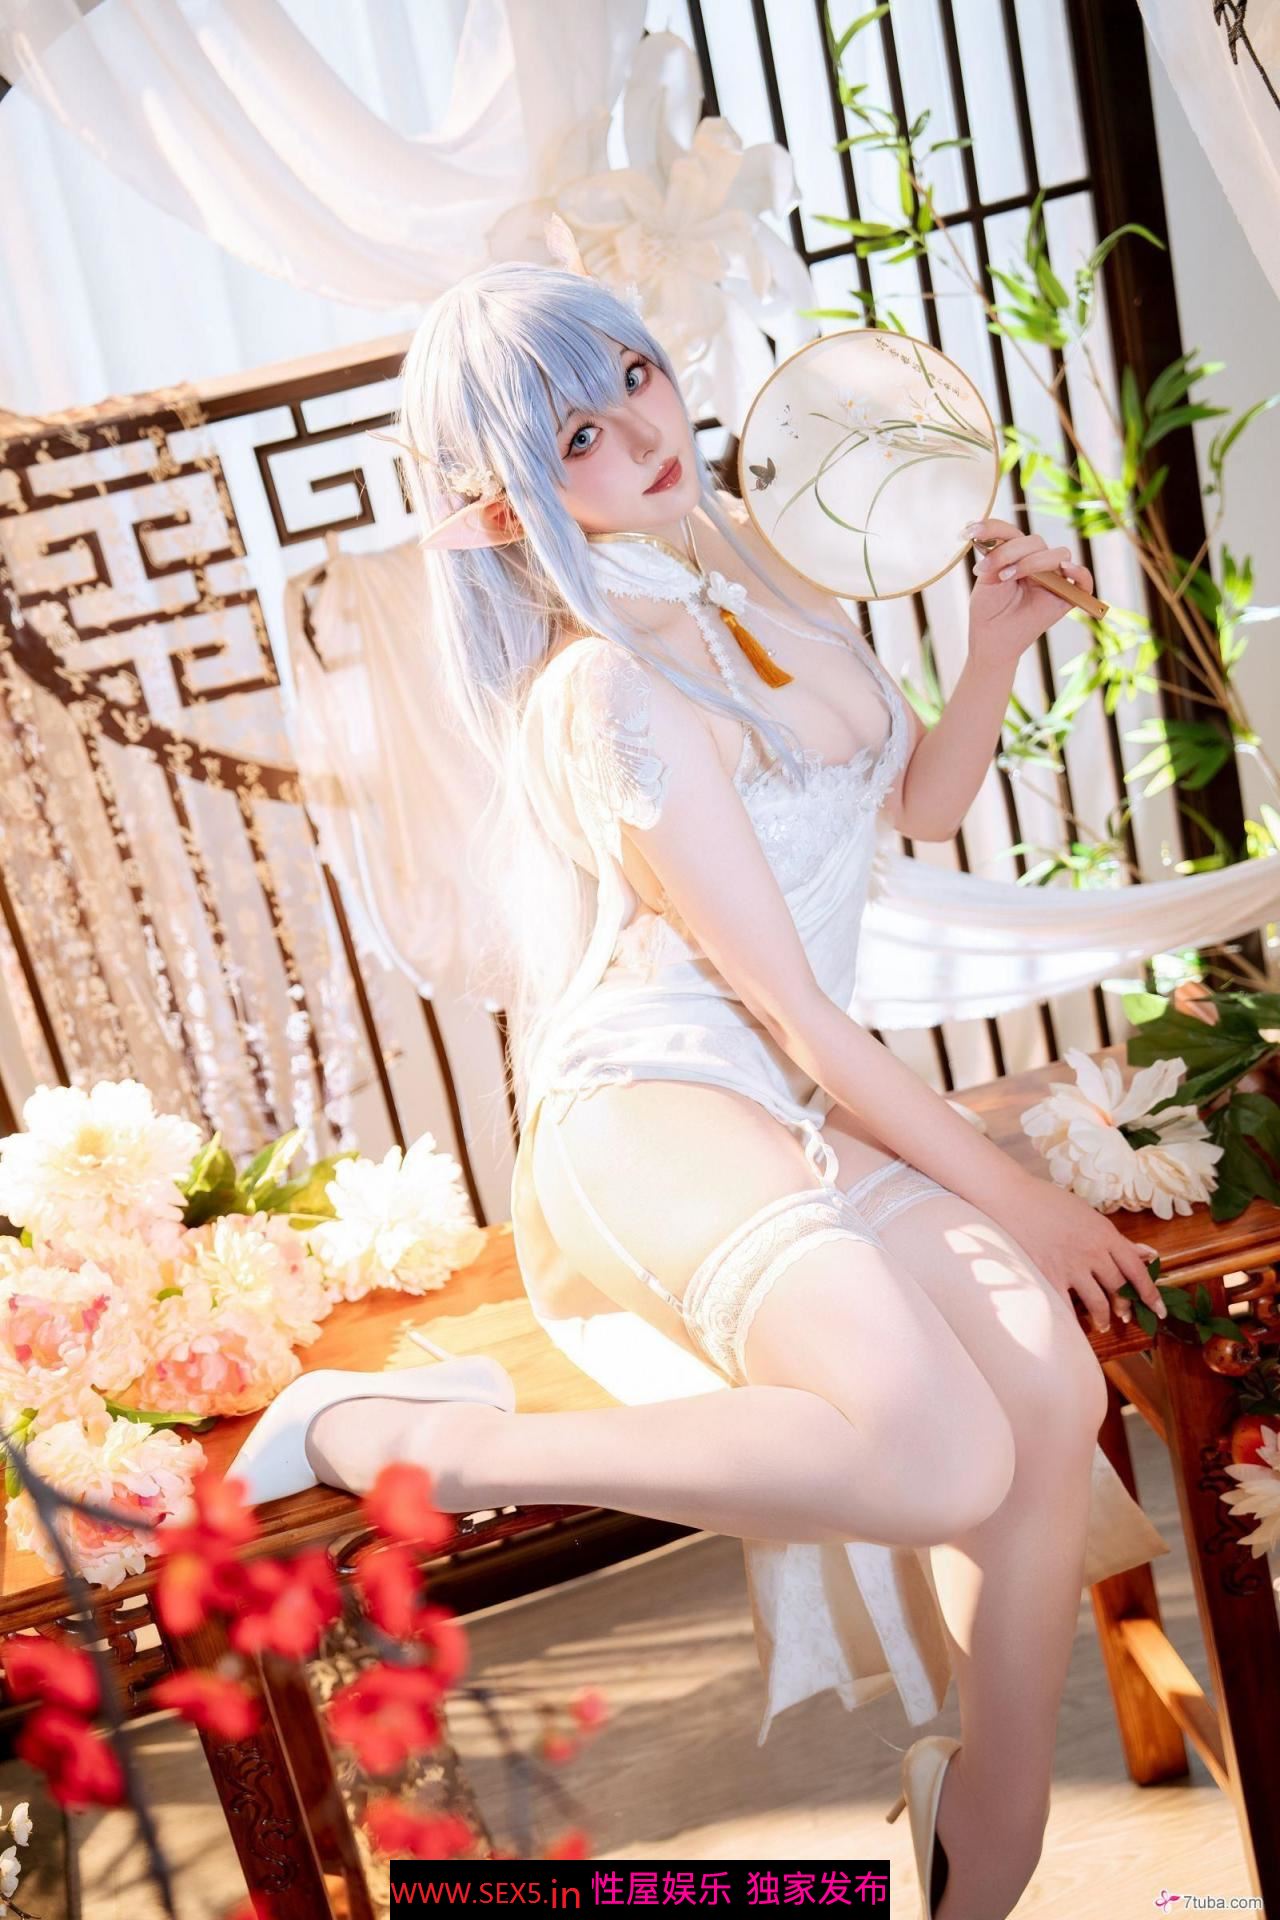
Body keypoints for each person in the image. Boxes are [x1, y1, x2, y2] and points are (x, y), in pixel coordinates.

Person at [231, 261, 1171, 1918]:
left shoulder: (752, 580)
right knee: (943, 1459)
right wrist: (1021, 1194)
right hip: (651, 1102)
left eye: (635, 376)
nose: (640, 428)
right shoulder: (603, 683)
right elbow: (796, 1008)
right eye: (577, 435)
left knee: (1043, 1390)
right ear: (503, 508)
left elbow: (913, 810)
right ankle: (408, 1439)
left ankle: (982, 1838)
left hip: (786, 1101)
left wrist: (992, 647)